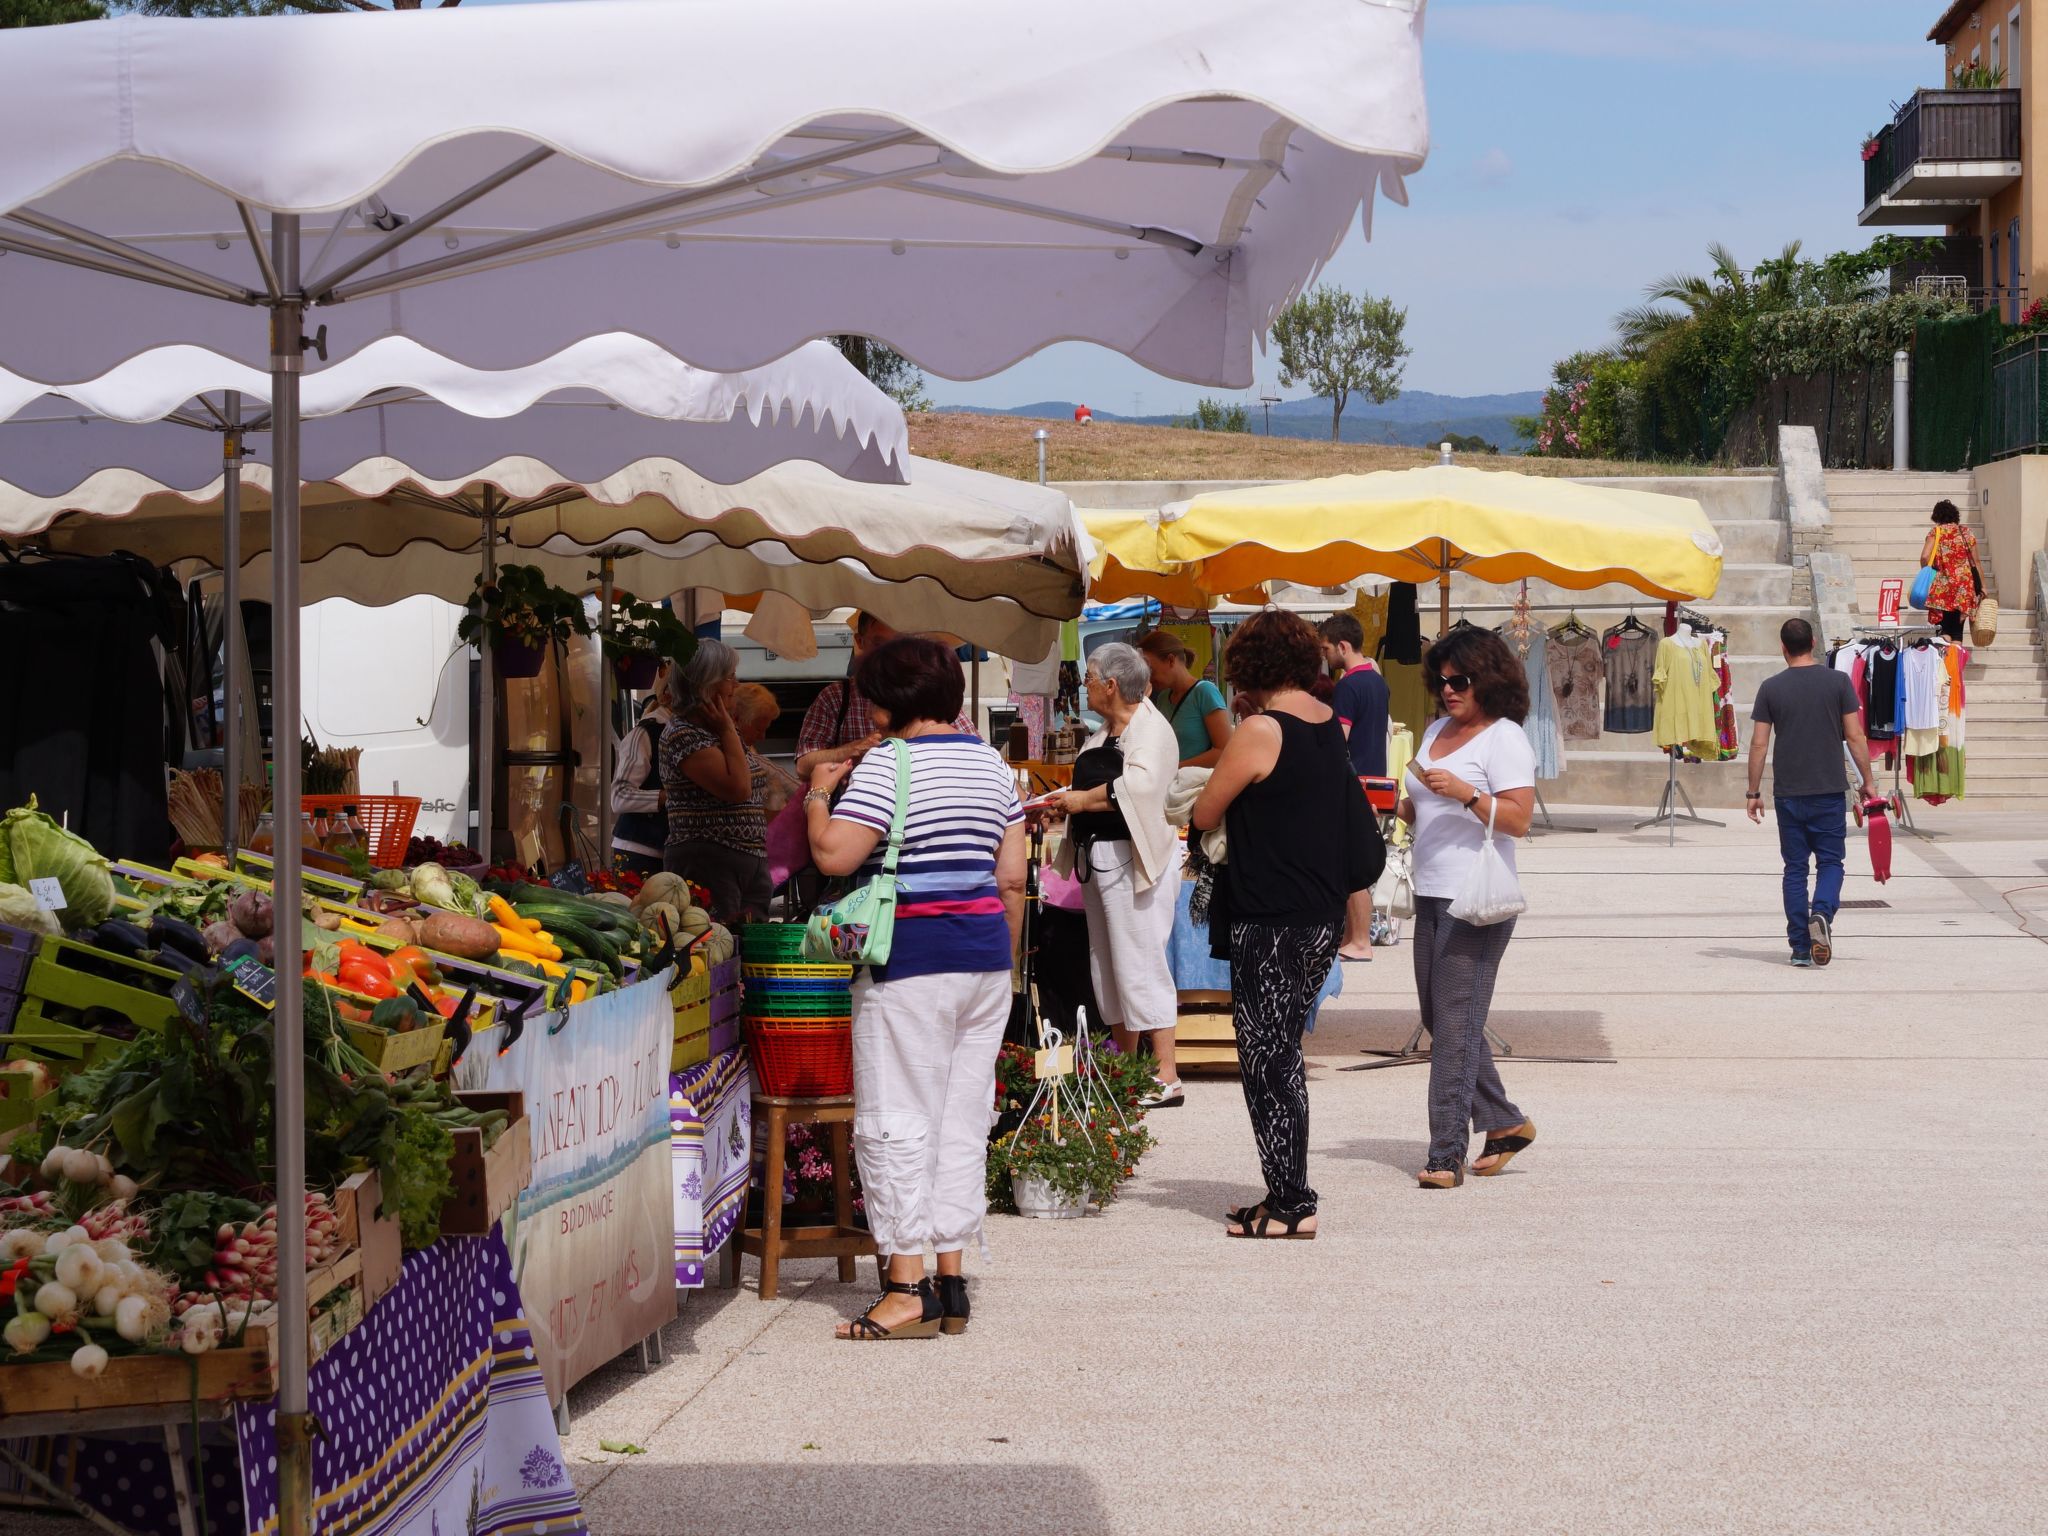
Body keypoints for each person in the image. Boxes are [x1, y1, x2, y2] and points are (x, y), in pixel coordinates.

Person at [805, 635, 1027, 1340]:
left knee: (897, 1114)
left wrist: (816, 796)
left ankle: (906, 1287)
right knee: (962, 1117)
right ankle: (951, 1277)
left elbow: (834, 852)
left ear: (888, 700)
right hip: (986, 959)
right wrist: (1005, 962)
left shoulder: (886, 766)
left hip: (909, 961)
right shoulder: (994, 767)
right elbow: (1013, 878)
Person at [1191, 610, 1380, 1239]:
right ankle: (1286, 1190)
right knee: (1283, 1053)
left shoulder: (1262, 729)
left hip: (1268, 913)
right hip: (1319, 913)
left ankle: (1292, 1202)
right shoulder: (1327, 723)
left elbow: (1206, 808)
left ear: (1251, 667)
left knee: (1266, 1057)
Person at [1398, 626, 1538, 1190]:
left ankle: (1445, 1152)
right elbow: (1420, 808)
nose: (1449, 690)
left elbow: (1518, 821)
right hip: (1430, 891)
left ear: (1490, 680)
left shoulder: (1504, 738)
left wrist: (1468, 794)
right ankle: (1505, 1123)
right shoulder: (1436, 730)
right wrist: (1392, 802)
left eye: (1461, 680)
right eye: (1443, 680)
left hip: (1477, 900)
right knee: (1440, 1019)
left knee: (1455, 1026)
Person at [1040, 642, 1185, 1107]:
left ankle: (1165, 1074)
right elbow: (1089, 787)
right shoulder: (1103, 733)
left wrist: (1080, 801)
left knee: (1141, 960)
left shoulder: (1152, 731)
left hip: (1135, 862)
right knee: (1108, 965)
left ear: (1111, 685)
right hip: (1099, 859)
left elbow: (1140, 786)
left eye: (1089, 677)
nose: (1084, 685)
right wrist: (1063, 804)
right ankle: (1125, 1069)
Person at [1746, 617, 1877, 968]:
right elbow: (1854, 736)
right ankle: (1821, 914)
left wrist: (1753, 792)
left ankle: (1801, 947)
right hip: (1829, 789)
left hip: (1789, 793)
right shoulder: (1838, 682)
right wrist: (1868, 780)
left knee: (1794, 869)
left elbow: (1759, 744)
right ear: (1814, 641)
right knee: (1831, 862)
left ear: (1783, 647)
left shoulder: (1771, 687)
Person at [658, 640, 769, 923]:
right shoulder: (683, 733)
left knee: (747, 950)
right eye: (729, 676)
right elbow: (738, 789)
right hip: (709, 860)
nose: (736, 684)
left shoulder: (714, 730)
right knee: (721, 947)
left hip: (744, 859)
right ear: (706, 684)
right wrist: (728, 729)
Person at [794, 611, 976, 779]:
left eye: (897, 643)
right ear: (860, 641)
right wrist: (852, 751)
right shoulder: (835, 697)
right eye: (879, 644)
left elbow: (971, 745)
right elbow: (803, 766)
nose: (889, 654)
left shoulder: (926, 691)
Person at [1319, 613, 1391, 962]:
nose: (1326, 656)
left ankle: (1359, 940)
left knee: (1352, 866)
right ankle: (1353, 936)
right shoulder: (1378, 681)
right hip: (1375, 780)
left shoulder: (1348, 685)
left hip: (1354, 782)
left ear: (1342, 646)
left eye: (1327, 648)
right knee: (1357, 861)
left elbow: (1339, 740)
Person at [608, 664, 672, 878]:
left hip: (668, 852)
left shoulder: (685, 732)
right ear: (668, 695)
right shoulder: (645, 734)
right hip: (638, 852)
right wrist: (664, 797)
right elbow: (619, 797)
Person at [1136, 629, 1230, 767]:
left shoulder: (1205, 692)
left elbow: (1224, 751)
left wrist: (1175, 767)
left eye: (1151, 671)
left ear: (1170, 660)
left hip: (1195, 784)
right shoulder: (1163, 697)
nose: (1149, 677)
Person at [1919, 499, 1984, 642]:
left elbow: (1925, 556)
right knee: (1957, 632)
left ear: (1937, 517)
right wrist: (1983, 586)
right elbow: (1976, 562)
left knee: (1944, 629)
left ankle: (1943, 662)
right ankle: (1954, 663)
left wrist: (1927, 570)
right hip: (1964, 588)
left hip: (1943, 588)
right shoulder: (1966, 532)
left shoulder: (1936, 532)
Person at [732, 682, 798, 821]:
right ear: (736, 719)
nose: (762, 737)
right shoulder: (731, 749)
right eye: (758, 729)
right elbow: (775, 774)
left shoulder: (744, 747)